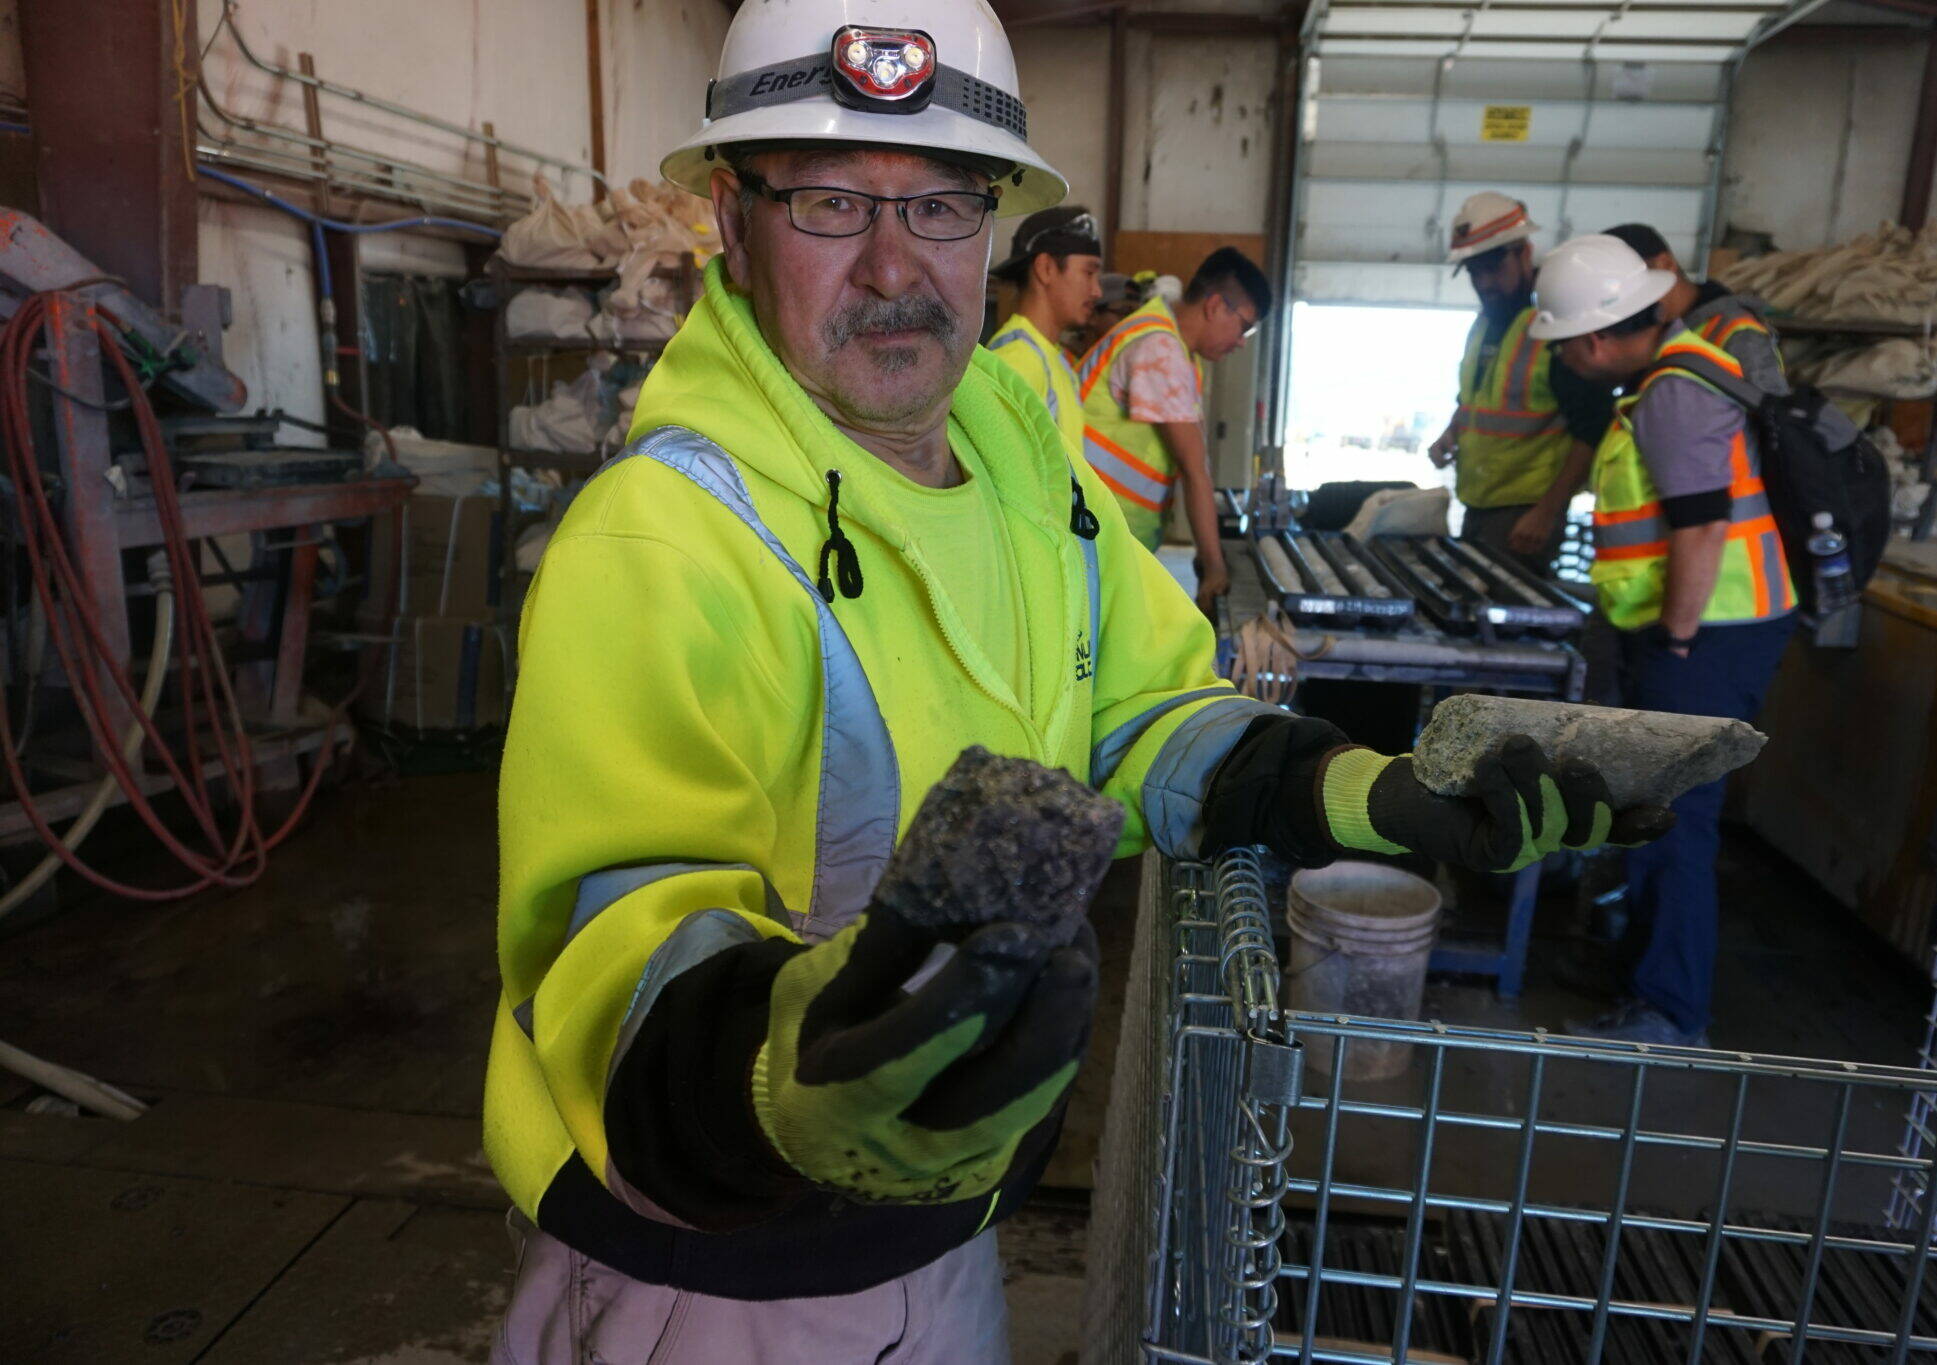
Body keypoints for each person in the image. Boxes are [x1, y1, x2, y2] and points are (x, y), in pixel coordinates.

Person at [486, 5, 1670, 1358]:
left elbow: (1142, 708)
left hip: (946, 1231)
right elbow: (614, 945)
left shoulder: (1009, 444)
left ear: (995, 226)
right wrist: (785, 1075)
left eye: (941, 206)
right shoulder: (665, 535)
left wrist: (1373, 790)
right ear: (731, 222)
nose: (894, 265)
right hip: (713, 1279)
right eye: (827, 203)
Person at [1529, 234, 1799, 1048]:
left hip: (1706, 637)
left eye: (1564, 344)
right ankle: (1643, 978)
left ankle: (1670, 1009)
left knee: (1676, 821)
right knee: (1655, 810)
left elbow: (1703, 530)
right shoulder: (1672, 372)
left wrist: (1675, 646)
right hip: (1704, 632)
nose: (1566, 360)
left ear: (1594, 338)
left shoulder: (1676, 392)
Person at [1429, 192, 1616, 574]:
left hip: (1524, 515)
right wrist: (1452, 431)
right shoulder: (1484, 325)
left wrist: (1547, 511)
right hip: (1479, 504)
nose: (1485, 283)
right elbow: (1477, 399)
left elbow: (1593, 428)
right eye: (1474, 272)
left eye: (1493, 268)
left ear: (1524, 254)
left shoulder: (1556, 330)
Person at [1077, 247, 1268, 613]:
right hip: (1094, 535)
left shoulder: (1164, 338)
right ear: (1215, 306)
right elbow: (1196, 470)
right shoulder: (1159, 349)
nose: (1242, 341)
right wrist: (1214, 569)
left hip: (1104, 533)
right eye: (1244, 326)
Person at [1601, 222, 1789, 394]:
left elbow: (1768, 415)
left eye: (1628, 282)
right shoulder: (1652, 326)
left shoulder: (1738, 332)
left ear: (1665, 264)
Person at [987, 206, 1102, 450]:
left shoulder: (1050, 356)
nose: (1097, 291)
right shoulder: (1018, 360)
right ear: (1046, 268)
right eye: (1088, 272)